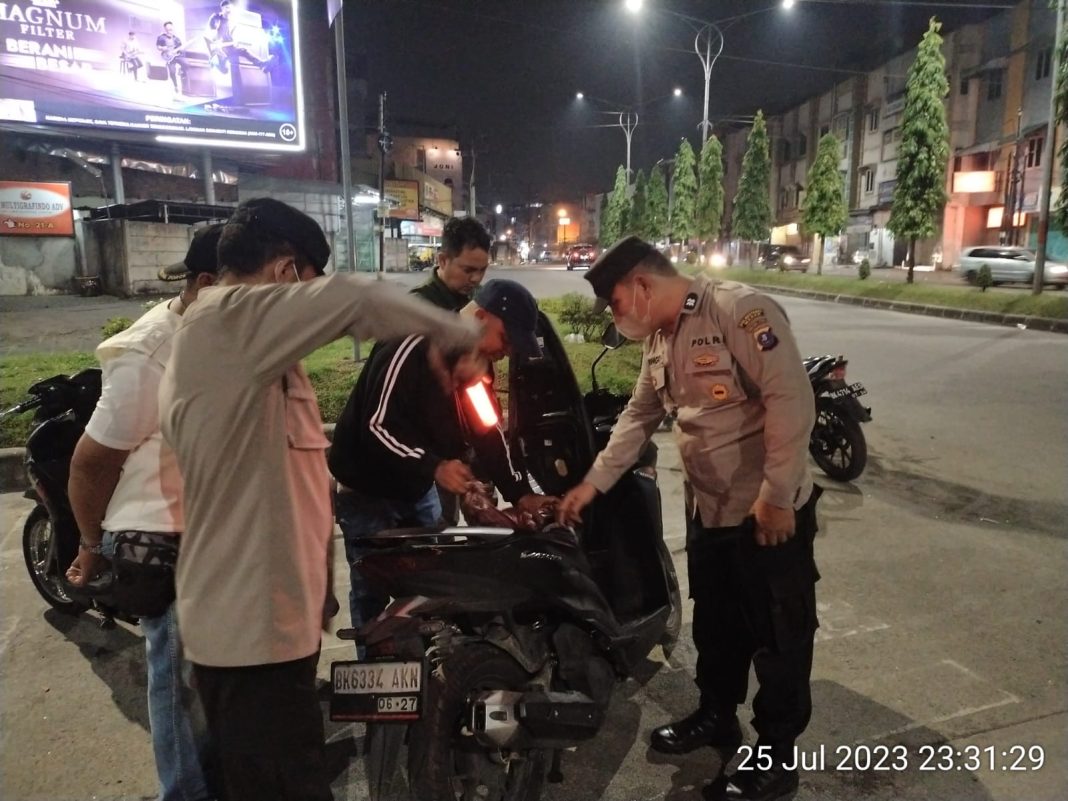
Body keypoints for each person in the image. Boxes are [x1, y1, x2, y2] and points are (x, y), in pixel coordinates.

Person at [158, 198, 479, 801]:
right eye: (308, 282)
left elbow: (289, 485)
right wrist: (461, 332)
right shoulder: (230, 321)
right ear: (284, 275)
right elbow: (358, 299)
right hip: (248, 639)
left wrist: (319, 589)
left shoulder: (249, 357)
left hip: (272, 625)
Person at [557, 236, 820, 801]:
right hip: (710, 510)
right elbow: (637, 417)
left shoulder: (738, 311)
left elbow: (791, 399)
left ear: (643, 286)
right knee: (718, 626)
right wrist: (592, 484)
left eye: (617, 303)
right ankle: (717, 714)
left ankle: (775, 756)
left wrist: (776, 495)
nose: (615, 315)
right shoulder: (659, 340)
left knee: (780, 636)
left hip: (765, 514)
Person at [66, 224, 226, 801]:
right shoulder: (150, 353)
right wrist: (89, 547)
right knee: (179, 674)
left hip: (215, 531)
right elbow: (90, 465)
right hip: (162, 536)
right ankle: (184, 792)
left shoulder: (219, 334)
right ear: (207, 283)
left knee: (214, 676)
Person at [329, 278, 556, 640]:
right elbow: (376, 426)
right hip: (366, 493)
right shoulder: (412, 341)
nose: (507, 351)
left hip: (416, 492)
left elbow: (488, 431)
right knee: (372, 598)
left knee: (431, 592)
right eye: (506, 338)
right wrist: (433, 466)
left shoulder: (475, 365)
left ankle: (426, 680)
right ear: (480, 317)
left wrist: (519, 493)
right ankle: (371, 686)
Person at [411, 217, 491, 311]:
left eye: (482, 270)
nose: (476, 279)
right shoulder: (417, 305)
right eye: (468, 270)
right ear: (443, 261)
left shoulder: (481, 295)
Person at [213, 0, 272, 107]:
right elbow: (212, 30)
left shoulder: (232, 21)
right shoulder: (217, 18)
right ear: (222, 9)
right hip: (220, 47)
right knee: (223, 67)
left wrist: (233, 40)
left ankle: (262, 64)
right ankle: (218, 64)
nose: (229, 10)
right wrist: (216, 41)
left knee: (243, 50)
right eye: (226, 8)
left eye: (230, 7)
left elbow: (230, 33)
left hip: (230, 46)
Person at [156, 21, 189, 95]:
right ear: (165, 28)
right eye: (167, 29)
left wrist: (181, 49)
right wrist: (162, 48)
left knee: (186, 64)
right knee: (172, 72)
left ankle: (181, 71)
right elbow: (158, 47)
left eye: (170, 28)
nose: (169, 30)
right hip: (168, 56)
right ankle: (175, 86)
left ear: (172, 28)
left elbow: (180, 48)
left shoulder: (176, 38)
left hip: (177, 55)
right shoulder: (161, 37)